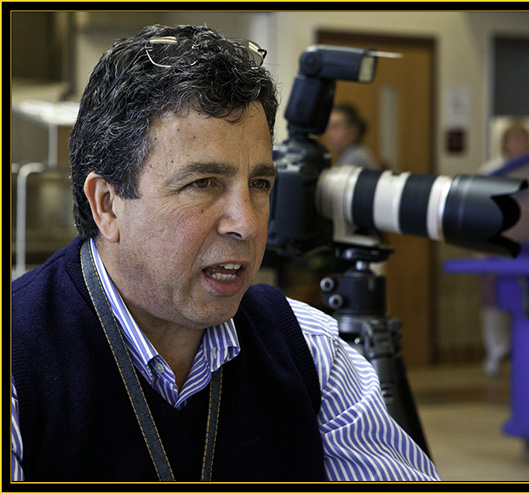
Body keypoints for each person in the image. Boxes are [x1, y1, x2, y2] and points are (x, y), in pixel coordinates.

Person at [12, 24, 441, 482]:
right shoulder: (19, 359)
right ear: (107, 204)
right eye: (203, 184)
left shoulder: (311, 351)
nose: (248, 223)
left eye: (259, 184)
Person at [478, 122, 529, 377]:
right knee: (493, 299)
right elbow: (479, 211)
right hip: (499, 246)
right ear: (504, 143)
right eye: (512, 139)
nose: (517, 144)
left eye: (521, 139)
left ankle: (526, 354)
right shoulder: (491, 172)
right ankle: (496, 350)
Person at [324, 103, 379, 169]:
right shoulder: (348, 153)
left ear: (353, 130)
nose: (329, 133)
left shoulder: (356, 157)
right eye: (328, 127)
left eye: (335, 126)